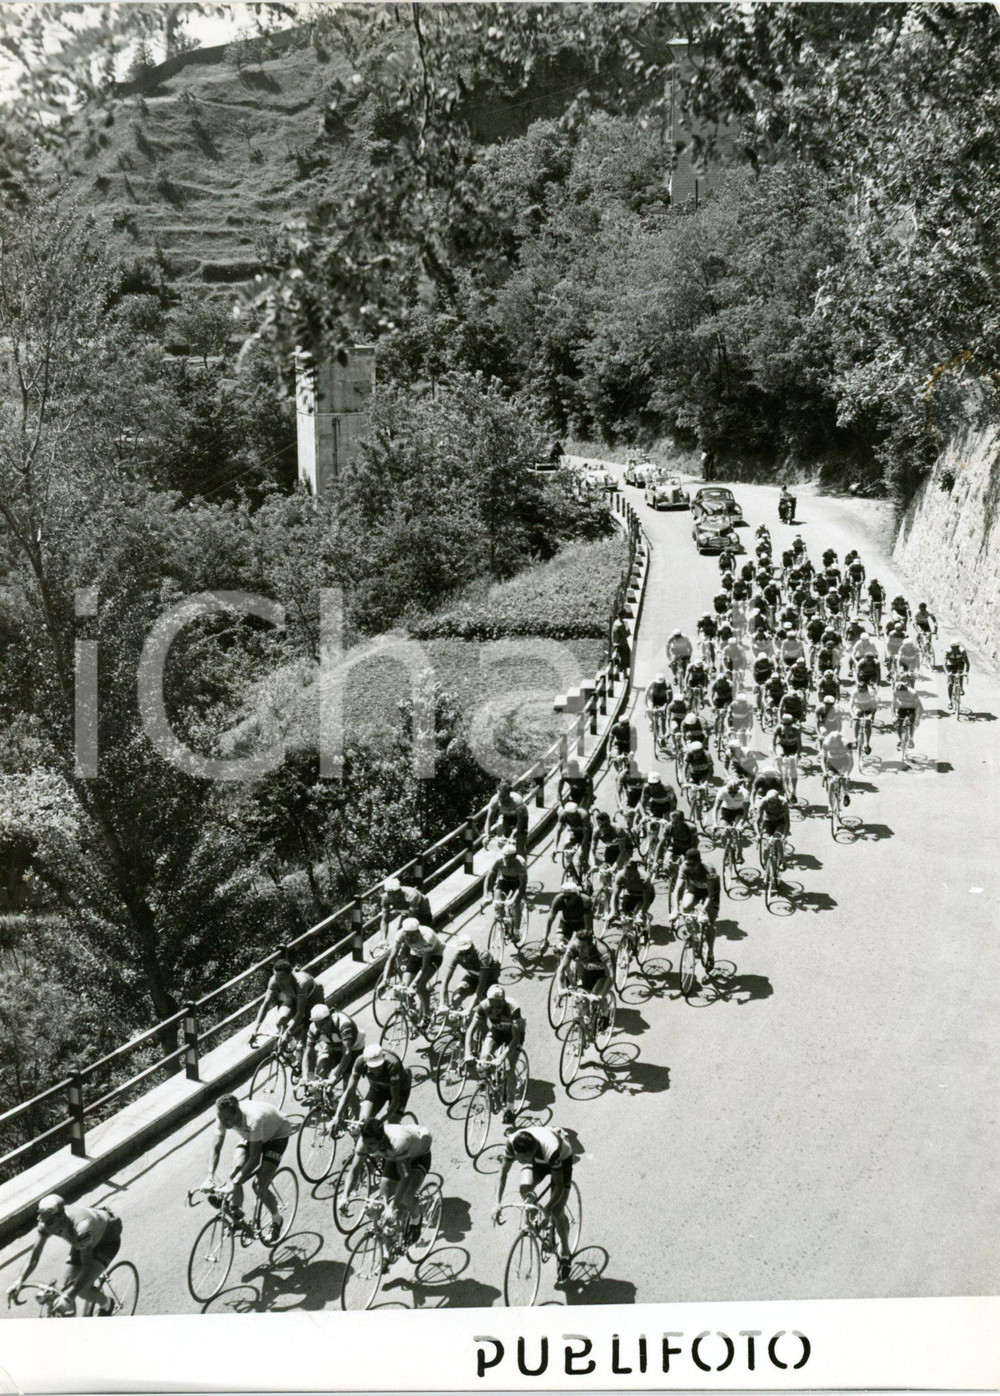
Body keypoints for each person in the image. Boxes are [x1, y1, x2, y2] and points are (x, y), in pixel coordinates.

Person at [8, 1195, 123, 1316]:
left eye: (50, 1222)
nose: (46, 1226)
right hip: (84, 1241)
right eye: (43, 1220)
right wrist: (19, 1281)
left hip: (107, 1239)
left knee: (82, 1291)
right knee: (68, 1284)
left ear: (62, 1217)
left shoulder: (81, 1228)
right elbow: (34, 1258)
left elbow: (87, 1267)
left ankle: (107, 1304)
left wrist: (68, 1297)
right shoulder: (45, 1224)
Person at [203, 1095, 296, 1244]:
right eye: (221, 1119)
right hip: (253, 1135)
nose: (223, 1123)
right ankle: (237, 1214)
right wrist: (210, 1176)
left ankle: (277, 1219)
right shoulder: (223, 1116)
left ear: (236, 1113)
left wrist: (234, 1184)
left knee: (259, 1186)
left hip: (277, 1135)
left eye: (227, 1120)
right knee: (234, 1173)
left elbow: (254, 1158)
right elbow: (216, 1147)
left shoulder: (254, 1118)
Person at [494, 1126, 576, 1282]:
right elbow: (502, 1174)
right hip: (537, 1162)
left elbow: (558, 1186)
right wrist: (497, 1203)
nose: (521, 1161)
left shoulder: (551, 1149)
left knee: (557, 1211)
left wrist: (547, 1210)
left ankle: (565, 1253)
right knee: (525, 1189)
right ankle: (538, 1214)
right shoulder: (511, 1144)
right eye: (519, 1158)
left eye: (525, 1158)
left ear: (533, 1150)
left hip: (561, 1159)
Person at [347, 1117, 432, 1246]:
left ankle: (416, 1220)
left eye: (371, 1144)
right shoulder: (364, 1142)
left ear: (381, 1139)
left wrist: (393, 1206)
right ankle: (391, 1241)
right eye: (365, 1142)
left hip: (418, 1156)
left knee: (406, 1195)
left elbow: (405, 1177)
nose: (367, 1148)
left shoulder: (398, 1141)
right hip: (394, 1157)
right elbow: (354, 1171)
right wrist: (345, 1196)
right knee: (383, 1197)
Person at [465, 984, 525, 1126]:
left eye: (499, 1005)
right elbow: (470, 1031)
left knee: (509, 1068)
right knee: (484, 1060)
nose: (496, 1009)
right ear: (488, 1001)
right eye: (493, 1005)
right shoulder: (483, 1006)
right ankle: (491, 1085)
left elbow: (515, 1039)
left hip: (514, 1035)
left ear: (504, 1001)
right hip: (497, 1031)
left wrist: (500, 1058)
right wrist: (467, 1053)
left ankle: (510, 1108)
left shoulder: (513, 1007)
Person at [250, 960, 325, 1071]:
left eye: (281, 979)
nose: (278, 982)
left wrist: (287, 1033)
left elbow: (300, 1013)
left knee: (306, 1040)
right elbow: (265, 1005)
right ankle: (294, 1048)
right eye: (276, 978)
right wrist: (255, 1029)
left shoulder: (301, 983)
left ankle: (309, 1071)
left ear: (290, 975)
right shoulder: (274, 981)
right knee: (280, 1022)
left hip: (313, 999)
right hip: (294, 998)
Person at [334, 1043, 411, 1129]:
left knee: (392, 1122)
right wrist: (337, 1115)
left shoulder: (392, 1064)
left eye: (379, 1066)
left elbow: (395, 1101)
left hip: (400, 1089)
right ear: (365, 1062)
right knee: (363, 1122)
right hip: (377, 1089)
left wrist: (379, 1121)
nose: (376, 1071)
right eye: (372, 1067)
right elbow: (349, 1090)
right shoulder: (360, 1062)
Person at [381, 917, 444, 1022]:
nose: (409, 938)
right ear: (404, 932)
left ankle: (427, 1015)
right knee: (403, 986)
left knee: (420, 985)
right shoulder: (400, 935)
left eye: (412, 935)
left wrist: (414, 984)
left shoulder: (427, 937)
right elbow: (391, 958)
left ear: (418, 932)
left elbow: (424, 967)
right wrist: (384, 980)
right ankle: (412, 1009)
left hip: (434, 955)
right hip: (416, 953)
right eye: (407, 935)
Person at [673, 849, 721, 969]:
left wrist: (702, 911)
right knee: (685, 906)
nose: (690, 867)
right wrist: (675, 910)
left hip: (712, 893)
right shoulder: (684, 867)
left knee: (710, 923)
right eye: (688, 864)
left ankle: (710, 953)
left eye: (693, 865)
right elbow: (677, 889)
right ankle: (693, 933)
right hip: (695, 888)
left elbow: (711, 895)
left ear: (699, 862)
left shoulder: (709, 870)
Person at [303, 1003, 364, 1088]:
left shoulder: (343, 1023)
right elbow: (308, 1053)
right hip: (334, 1048)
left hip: (353, 1050)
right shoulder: (313, 1028)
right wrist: (305, 1076)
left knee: (347, 1087)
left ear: (329, 1019)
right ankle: (327, 1093)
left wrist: (335, 1077)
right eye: (317, 1025)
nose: (320, 1029)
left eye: (322, 1024)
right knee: (321, 1071)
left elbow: (347, 1054)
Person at [438, 934, 501, 1014]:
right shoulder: (457, 955)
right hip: (472, 977)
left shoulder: (483, 954)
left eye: (467, 953)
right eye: (461, 954)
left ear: (473, 948)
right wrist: (442, 1004)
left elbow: (482, 984)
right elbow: (445, 980)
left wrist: (469, 1008)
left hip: (489, 980)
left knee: (481, 1008)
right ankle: (460, 1018)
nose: (464, 958)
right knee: (456, 999)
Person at [483, 842, 528, 941]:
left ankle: (516, 932)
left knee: (515, 905)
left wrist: (513, 899)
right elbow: (489, 878)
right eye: (506, 858)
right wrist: (486, 895)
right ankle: (505, 924)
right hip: (504, 881)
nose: (508, 860)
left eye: (511, 858)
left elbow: (522, 885)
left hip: (517, 883)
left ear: (515, 856)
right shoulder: (498, 861)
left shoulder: (520, 863)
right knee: (497, 903)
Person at [483, 779, 529, 856]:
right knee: (502, 842)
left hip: (521, 818)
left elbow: (520, 822)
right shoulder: (494, 800)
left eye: (503, 796)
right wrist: (487, 835)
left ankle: (522, 861)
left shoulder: (517, 801)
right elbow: (489, 819)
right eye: (499, 796)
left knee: (520, 845)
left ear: (509, 794)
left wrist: (512, 836)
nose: (501, 799)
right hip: (506, 816)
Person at [544, 878, 593, 949]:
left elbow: (588, 928)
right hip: (566, 923)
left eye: (568, 897)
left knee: (583, 947)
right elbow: (549, 921)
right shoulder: (558, 899)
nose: (565, 900)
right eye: (564, 896)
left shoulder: (585, 900)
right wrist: (544, 939)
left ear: (576, 895)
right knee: (558, 948)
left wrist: (586, 939)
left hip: (581, 924)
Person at [611, 851, 655, 924]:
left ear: (636, 872)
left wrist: (641, 913)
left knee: (637, 914)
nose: (627, 877)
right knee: (624, 913)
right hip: (630, 893)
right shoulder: (620, 875)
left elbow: (646, 900)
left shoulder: (644, 878)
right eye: (626, 874)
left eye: (630, 875)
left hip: (643, 896)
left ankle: (644, 926)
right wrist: (614, 911)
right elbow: (615, 895)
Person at [712, 778, 748, 856]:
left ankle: (739, 854)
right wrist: (714, 823)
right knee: (723, 833)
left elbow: (745, 812)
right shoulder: (722, 791)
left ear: (738, 789)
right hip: (726, 810)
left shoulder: (744, 793)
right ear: (726, 790)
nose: (732, 794)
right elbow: (716, 808)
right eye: (730, 792)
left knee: (737, 833)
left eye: (735, 792)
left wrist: (740, 824)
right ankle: (727, 851)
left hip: (739, 811)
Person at [772, 712, 803, 801]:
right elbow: (773, 744)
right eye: (784, 724)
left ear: (792, 724)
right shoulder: (778, 729)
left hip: (793, 748)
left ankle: (794, 791)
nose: (786, 726)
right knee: (781, 762)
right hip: (781, 747)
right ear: (781, 723)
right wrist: (775, 755)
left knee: (793, 769)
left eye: (788, 724)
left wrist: (797, 755)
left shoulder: (796, 730)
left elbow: (799, 746)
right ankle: (782, 784)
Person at [554, 799, 590, 875]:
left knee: (582, 856)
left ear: (576, 812)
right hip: (574, 831)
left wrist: (582, 848)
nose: (571, 817)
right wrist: (555, 848)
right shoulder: (562, 815)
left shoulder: (584, 815)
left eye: (573, 815)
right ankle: (570, 868)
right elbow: (558, 831)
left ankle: (586, 876)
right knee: (567, 850)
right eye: (568, 814)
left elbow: (586, 835)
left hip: (585, 834)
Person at [821, 730, 854, 804]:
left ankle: (846, 793)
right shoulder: (826, 743)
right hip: (831, 762)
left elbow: (851, 762)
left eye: (835, 742)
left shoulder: (846, 744)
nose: (833, 744)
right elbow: (823, 760)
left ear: (839, 741)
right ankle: (830, 807)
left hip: (843, 762)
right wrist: (824, 772)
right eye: (832, 742)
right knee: (831, 782)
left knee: (843, 778)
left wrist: (847, 774)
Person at [892, 680, 923, 751]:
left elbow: (920, 707)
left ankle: (911, 739)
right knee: (899, 724)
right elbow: (892, 705)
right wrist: (893, 716)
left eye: (903, 693)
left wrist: (918, 718)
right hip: (902, 708)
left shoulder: (913, 693)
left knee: (911, 721)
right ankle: (901, 740)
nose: (901, 695)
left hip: (912, 708)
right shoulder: (895, 692)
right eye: (900, 693)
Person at [851, 682, 879, 754]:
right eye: (860, 690)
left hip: (868, 708)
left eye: (863, 690)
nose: (861, 692)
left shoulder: (871, 693)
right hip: (858, 707)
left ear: (866, 689)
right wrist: (853, 715)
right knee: (856, 718)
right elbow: (851, 705)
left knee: (867, 722)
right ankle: (855, 739)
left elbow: (874, 707)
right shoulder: (854, 692)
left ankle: (867, 743)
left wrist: (871, 715)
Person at [645, 672, 671, 744]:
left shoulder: (667, 684)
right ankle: (652, 723)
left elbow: (670, 697)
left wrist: (665, 706)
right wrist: (646, 706)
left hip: (663, 701)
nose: (659, 685)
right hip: (653, 700)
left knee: (663, 720)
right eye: (658, 683)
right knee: (650, 712)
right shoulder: (652, 683)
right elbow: (645, 694)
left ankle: (663, 735)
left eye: (661, 683)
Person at [944, 641, 970, 710]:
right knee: (951, 683)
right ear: (950, 647)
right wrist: (948, 673)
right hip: (950, 665)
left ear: (958, 647)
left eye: (955, 648)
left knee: (960, 674)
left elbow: (967, 663)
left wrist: (966, 672)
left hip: (960, 664)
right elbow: (944, 664)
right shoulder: (948, 652)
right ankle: (949, 701)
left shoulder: (962, 651)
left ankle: (961, 688)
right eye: (952, 648)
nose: (954, 650)